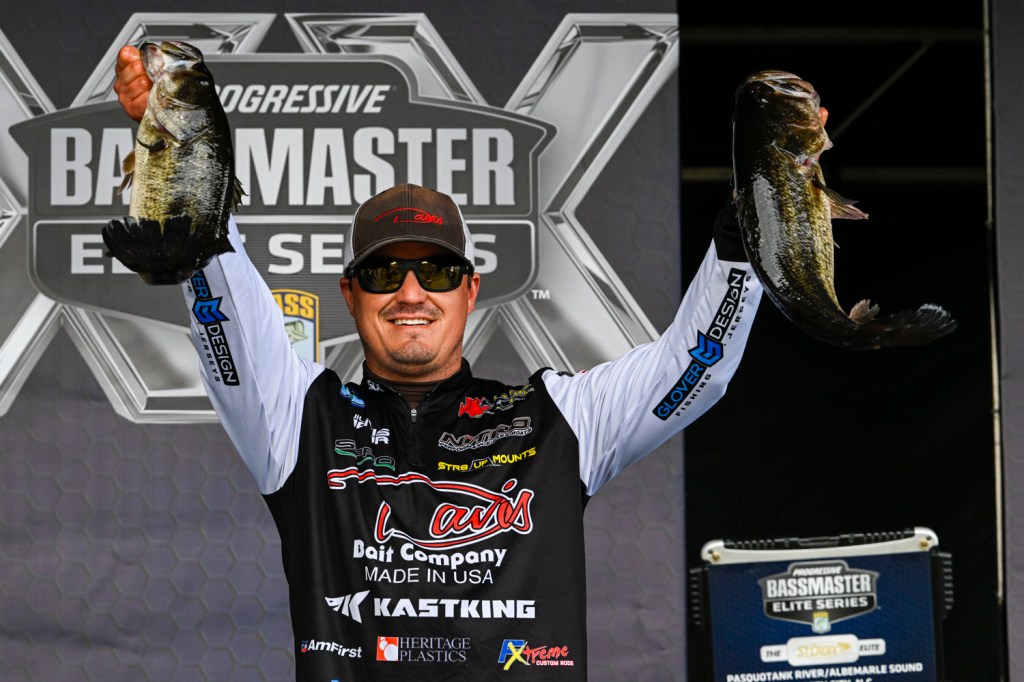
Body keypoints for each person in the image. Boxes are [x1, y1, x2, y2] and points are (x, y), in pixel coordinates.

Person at [114, 45, 765, 680]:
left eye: (437, 270)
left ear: (470, 289)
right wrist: (182, 145)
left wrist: (748, 238)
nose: (411, 293)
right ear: (350, 293)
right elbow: (229, 313)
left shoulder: (560, 421)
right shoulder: (299, 422)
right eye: (383, 272)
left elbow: (694, 368)